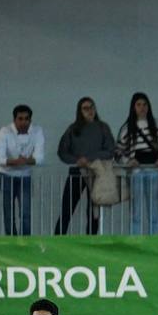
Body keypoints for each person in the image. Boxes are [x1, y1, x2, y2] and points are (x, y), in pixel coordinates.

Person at [54, 96, 115, 236]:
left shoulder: (103, 127)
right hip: (77, 172)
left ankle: (91, 242)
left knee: (93, 212)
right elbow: (62, 151)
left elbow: (110, 151)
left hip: (96, 174)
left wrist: (90, 158)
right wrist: (76, 160)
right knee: (67, 208)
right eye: (85, 108)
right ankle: (57, 240)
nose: (89, 111)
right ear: (79, 111)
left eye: (92, 107)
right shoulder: (73, 129)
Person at [116, 92, 158, 235]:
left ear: (148, 107)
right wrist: (128, 161)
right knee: (136, 211)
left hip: (154, 170)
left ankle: (154, 241)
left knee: (154, 211)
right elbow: (118, 152)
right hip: (135, 172)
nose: (142, 107)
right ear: (133, 107)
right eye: (139, 104)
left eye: (144, 104)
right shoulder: (126, 129)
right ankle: (135, 241)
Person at [0, 104, 45, 235]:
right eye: (20, 118)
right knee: (8, 212)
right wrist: (15, 162)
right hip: (6, 175)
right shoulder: (5, 131)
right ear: (14, 120)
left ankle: (25, 242)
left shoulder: (37, 130)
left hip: (25, 175)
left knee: (26, 212)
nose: (24, 122)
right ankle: (11, 240)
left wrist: (25, 161)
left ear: (30, 120)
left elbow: (40, 158)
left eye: (27, 119)